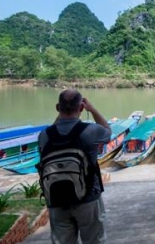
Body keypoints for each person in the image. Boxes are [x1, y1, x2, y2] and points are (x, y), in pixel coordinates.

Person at [38, 89, 111, 244]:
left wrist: (61, 113)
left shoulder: (44, 135)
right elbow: (108, 132)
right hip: (88, 198)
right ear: (81, 108)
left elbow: (52, 132)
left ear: (58, 108)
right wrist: (93, 110)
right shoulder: (90, 131)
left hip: (56, 200)